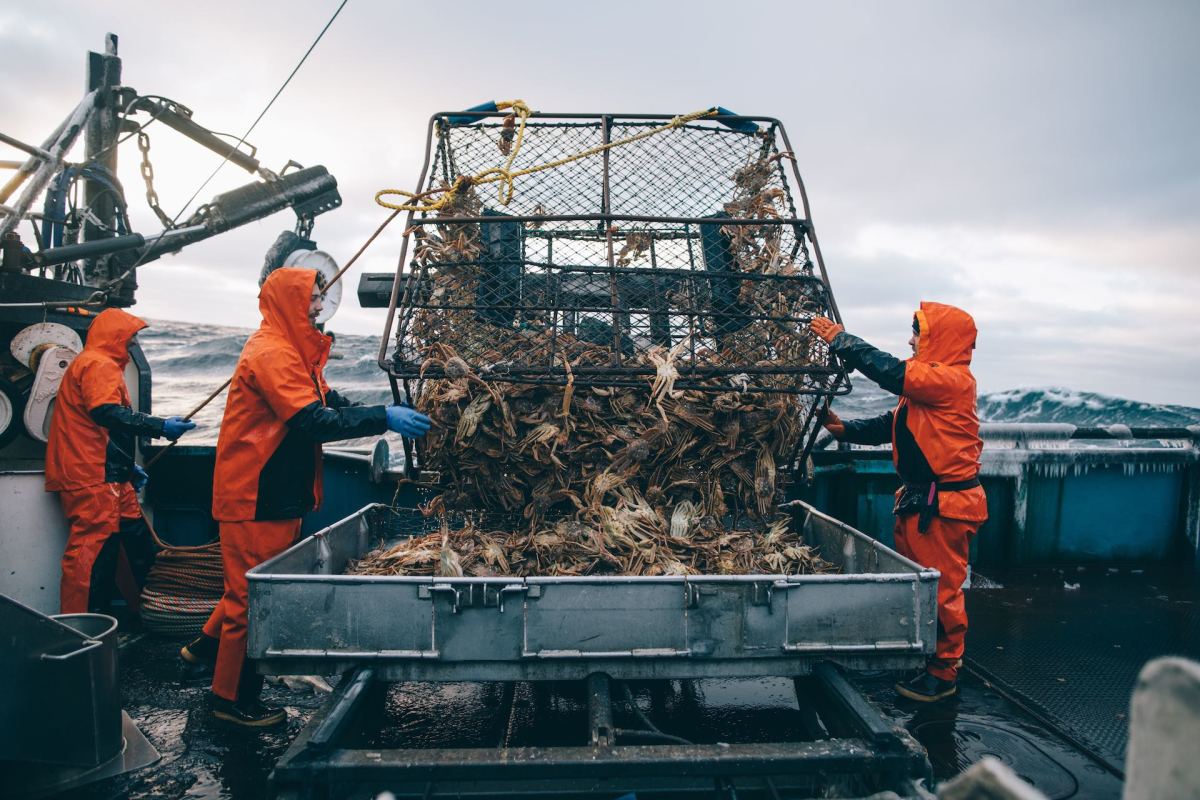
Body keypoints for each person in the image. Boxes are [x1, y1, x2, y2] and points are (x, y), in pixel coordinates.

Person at [182, 267, 430, 727]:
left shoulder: (293, 351)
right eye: (313, 298)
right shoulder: (273, 352)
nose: (320, 305)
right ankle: (229, 701)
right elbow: (312, 422)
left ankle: (202, 650)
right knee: (251, 599)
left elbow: (328, 401)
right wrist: (384, 419)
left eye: (320, 296)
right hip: (257, 493)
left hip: (277, 491)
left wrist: (377, 411)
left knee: (248, 581)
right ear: (289, 301)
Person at [810, 302, 987, 702]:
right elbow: (893, 425)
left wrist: (843, 342)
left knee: (942, 590)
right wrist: (842, 427)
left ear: (940, 338)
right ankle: (925, 655)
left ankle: (943, 674)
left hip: (944, 506)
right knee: (920, 586)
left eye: (918, 333)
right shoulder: (929, 390)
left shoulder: (952, 381)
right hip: (920, 503)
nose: (911, 340)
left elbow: (890, 372)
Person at [45, 308, 196, 615]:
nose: (133, 343)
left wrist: (127, 469)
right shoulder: (98, 364)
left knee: (135, 543)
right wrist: (160, 426)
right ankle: (82, 629)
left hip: (110, 476)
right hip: (89, 477)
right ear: (115, 337)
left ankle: (149, 612)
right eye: (130, 337)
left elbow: (103, 429)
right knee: (92, 557)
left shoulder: (101, 365)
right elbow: (107, 414)